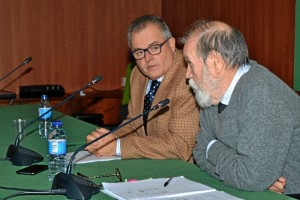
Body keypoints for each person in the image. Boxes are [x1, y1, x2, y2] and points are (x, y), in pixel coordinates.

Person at [180, 19, 300, 195]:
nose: (187, 74)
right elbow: (199, 151)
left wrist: (212, 149)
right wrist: (244, 173)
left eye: (190, 63)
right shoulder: (210, 93)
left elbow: (251, 177)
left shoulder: (261, 93)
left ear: (215, 62)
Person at [85, 15, 199, 162]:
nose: (147, 58)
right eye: (139, 52)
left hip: (182, 172)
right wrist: (107, 140)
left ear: (171, 44)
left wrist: (118, 147)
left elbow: (180, 146)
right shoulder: (138, 74)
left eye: (154, 48)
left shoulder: (187, 78)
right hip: (151, 164)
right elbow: (133, 123)